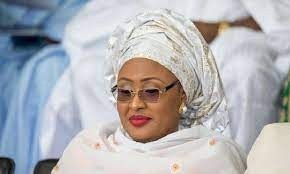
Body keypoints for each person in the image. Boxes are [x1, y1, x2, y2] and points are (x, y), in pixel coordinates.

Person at [51, 9, 246, 174]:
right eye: (125, 92)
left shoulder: (214, 158)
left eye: (151, 91)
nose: (135, 104)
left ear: (182, 94)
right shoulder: (87, 148)